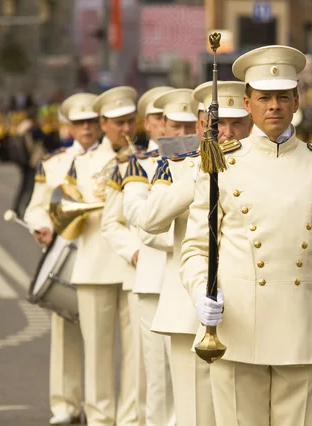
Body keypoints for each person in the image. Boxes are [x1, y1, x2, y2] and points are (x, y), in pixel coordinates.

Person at [180, 45, 312, 426]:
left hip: (302, 334)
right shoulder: (220, 162)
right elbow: (195, 248)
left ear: (295, 102)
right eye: (264, 98)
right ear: (248, 103)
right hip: (236, 329)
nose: (273, 106)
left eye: (281, 97)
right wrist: (198, 291)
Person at [137, 80, 252, 426]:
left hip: (247, 308)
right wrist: (201, 172)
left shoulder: (262, 166)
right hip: (189, 310)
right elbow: (150, 221)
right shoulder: (177, 162)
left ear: (250, 124)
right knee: (194, 417)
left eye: (237, 123)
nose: (227, 132)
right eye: (218, 123)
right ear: (202, 125)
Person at [24, 93, 101, 425]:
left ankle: (100, 405)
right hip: (63, 256)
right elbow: (36, 207)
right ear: (69, 126)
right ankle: (65, 403)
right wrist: (41, 227)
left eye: (91, 122)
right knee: (66, 330)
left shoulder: (118, 160)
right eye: (80, 122)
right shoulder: (53, 162)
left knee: (103, 336)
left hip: (100, 253)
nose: (86, 128)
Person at [67, 86, 141, 426]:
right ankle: (99, 418)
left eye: (130, 121)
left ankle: (129, 418)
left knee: (135, 353)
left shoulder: (146, 158)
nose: (125, 129)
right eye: (117, 123)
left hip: (133, 267)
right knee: (97, 351)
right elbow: (64, 208)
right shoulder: (82, 163)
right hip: (95, 263)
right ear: (103, 124)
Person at [117, 86, 176, 426]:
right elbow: (136, 221)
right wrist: (135, 250)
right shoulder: (139, 164)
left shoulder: (203, 160)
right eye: (158, 118)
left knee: (190, 375)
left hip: (190, 281)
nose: (167, 127)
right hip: (152, 278)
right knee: (157, 378)